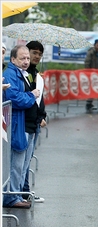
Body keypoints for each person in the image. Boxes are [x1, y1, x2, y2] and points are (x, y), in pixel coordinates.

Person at [2, 45, 41, 209]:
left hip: (27, 123)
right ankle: (11, 197)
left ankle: (16, 194)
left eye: (27, 58)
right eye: (22, 58)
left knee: (22, 164)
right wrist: (31, 95)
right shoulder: (10, 74)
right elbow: (15, 98)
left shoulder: (24, 73)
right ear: (13, 59)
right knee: (15, 163)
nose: (26, 61)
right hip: (18, 123)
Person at [20, 41, 47, 203]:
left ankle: (25, 191)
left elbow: (39, 98)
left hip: (35, 122)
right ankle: (22, 193)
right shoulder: (23, 73)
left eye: (40, 54)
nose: (36, 56)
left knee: (27, 159)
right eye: (34, 53)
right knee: (21, 161)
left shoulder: (36, 73)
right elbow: (28, 96)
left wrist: (41, 116)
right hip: (24, 122)